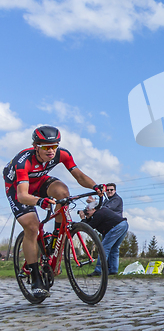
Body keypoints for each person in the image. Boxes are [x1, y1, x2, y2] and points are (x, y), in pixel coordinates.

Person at [3, 126, 105, 297]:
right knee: (32, 227)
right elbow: (22, 195)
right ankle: (36, 278)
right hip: (18, 188)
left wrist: (95, 186)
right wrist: (39, 201)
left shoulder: (61, 154)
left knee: (63, 193)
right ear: (36, 146)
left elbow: (79, 176)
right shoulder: (23, 161)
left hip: (39, 180)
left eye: (54, 146)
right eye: (45, 147)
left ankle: (55, 239)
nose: (51, 151)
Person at [78, 200, 129, 276]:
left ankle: (99, 270)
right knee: (114, 248)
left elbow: (89, 227)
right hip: (123, 225)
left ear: (94, 209)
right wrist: (88, 218)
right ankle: (113, 270)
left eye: (88, 210)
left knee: (104, 248)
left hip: (116, 227)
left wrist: (83, 219)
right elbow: (92, 223)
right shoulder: (100, 211)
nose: (86, 212)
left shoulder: (98, 214)